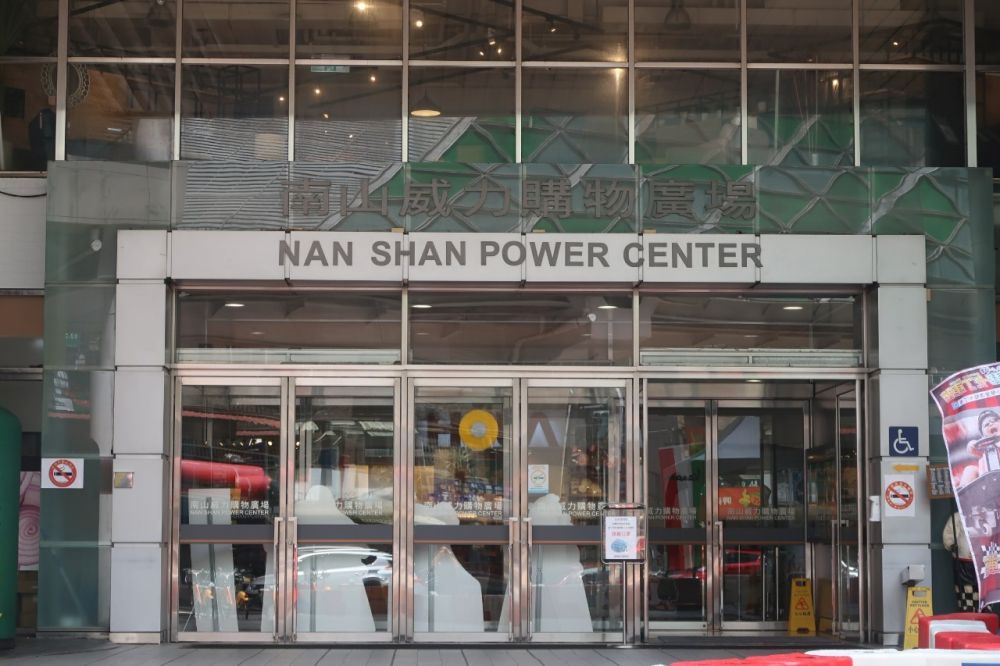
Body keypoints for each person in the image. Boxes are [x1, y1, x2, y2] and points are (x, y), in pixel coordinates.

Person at [944, 511, 978, 611]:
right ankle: (967, 607)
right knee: (965, 586)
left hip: (983, 560)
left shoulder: (987, 514)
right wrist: (950, 544)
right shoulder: (958, 516)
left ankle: (983, 608)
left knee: (982, 586)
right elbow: (949, 533)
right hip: (964, 561)